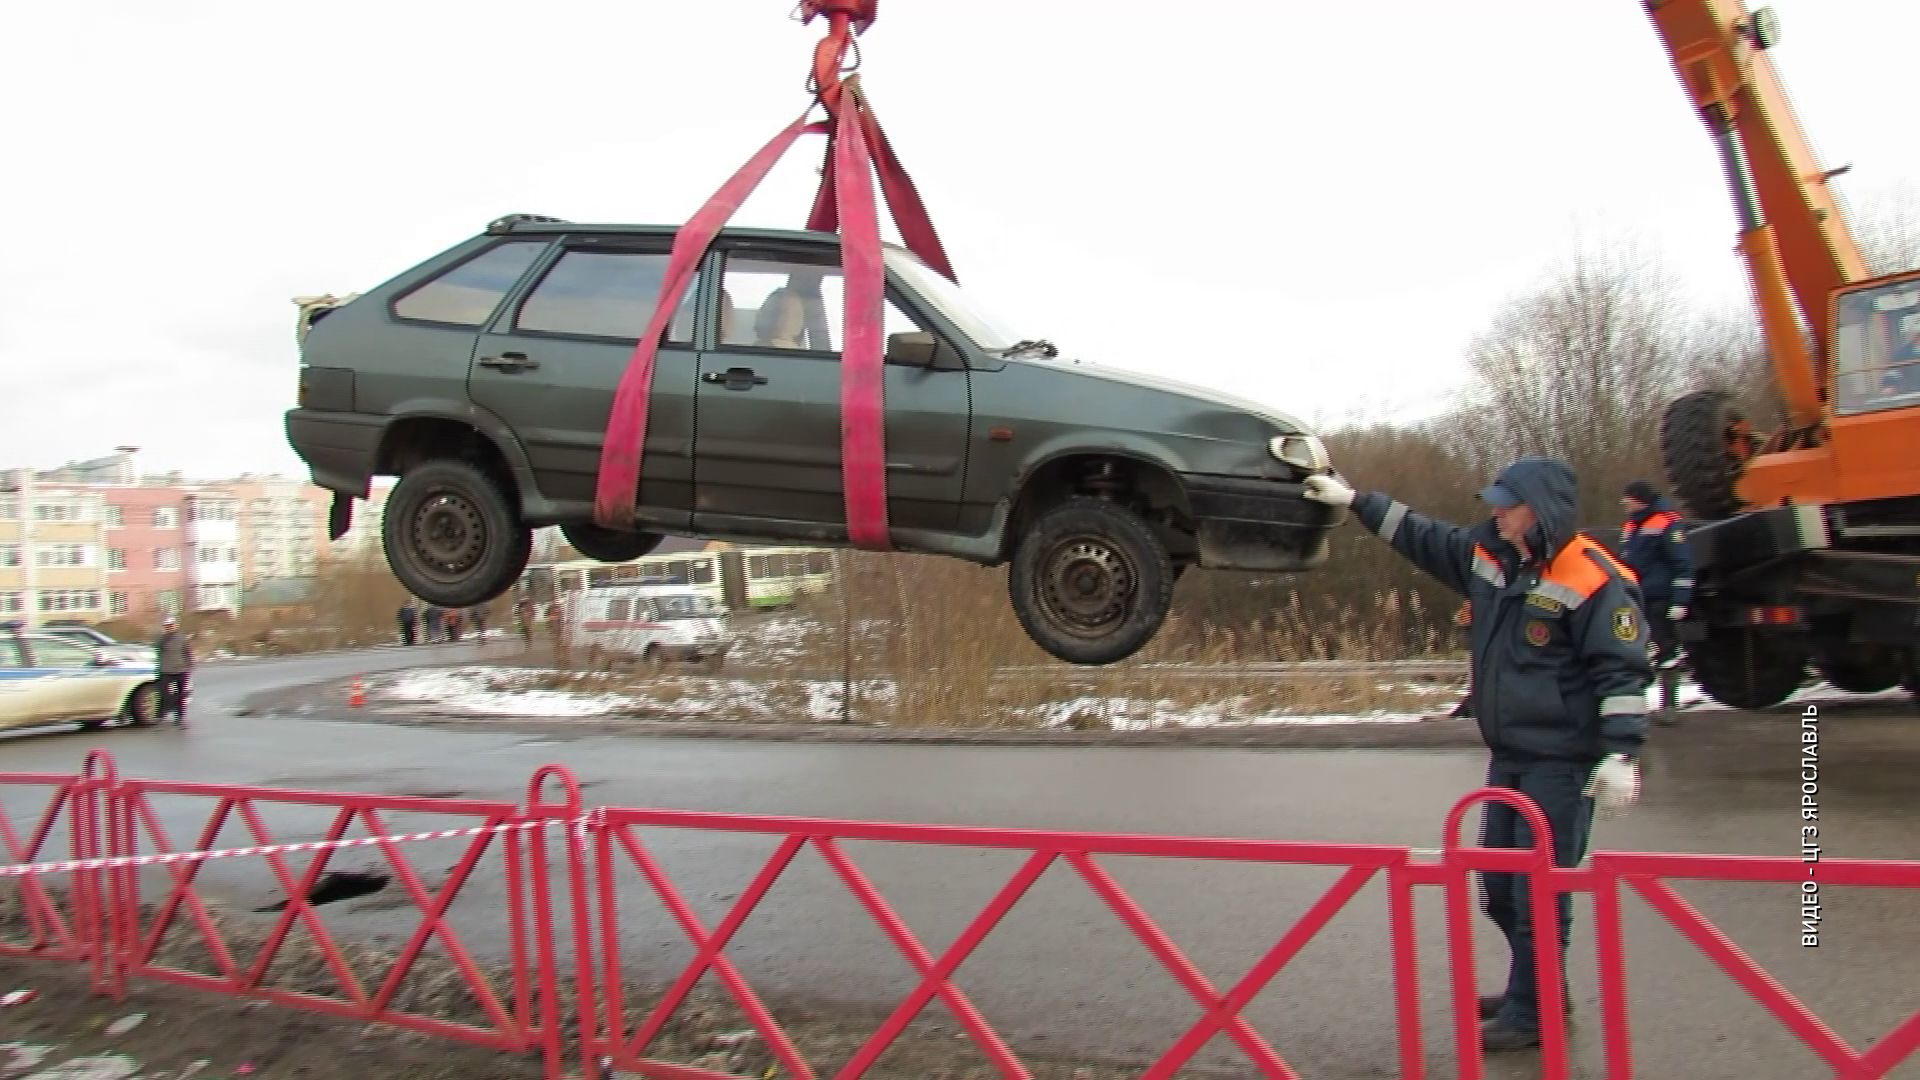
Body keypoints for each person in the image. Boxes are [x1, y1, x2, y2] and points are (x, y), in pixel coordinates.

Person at [1302, 457, 1651, 1053]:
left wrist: (1620, 755)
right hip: (1510, 759)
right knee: (1499, 881)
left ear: (1539, 511)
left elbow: (1621, 674)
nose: (1494, 512)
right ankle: (1537, 986)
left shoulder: (1592, 578)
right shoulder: (1493, 557)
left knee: (1539, 889)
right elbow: (1424, 536)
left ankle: (1533, 1008)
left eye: (1506, 504)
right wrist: (1355, 499)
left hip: (1561, 764)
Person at [1618, 480, 1694, 675]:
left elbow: (1682, 563)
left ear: (1639, 499)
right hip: (1638, 596)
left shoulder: (1667, 521)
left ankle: (1670, 665)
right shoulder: (1632, 525)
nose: (1624, 503)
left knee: (1665, 644)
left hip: (1661, 597)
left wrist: (1680, 602)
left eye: (1627, 498)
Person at [154, 616, 195, 727]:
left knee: (181, 694)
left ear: (175, 625)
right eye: (167, 626)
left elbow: (187, 652)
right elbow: (157, 649)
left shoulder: (182, 638)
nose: (169, 627)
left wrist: (190, 666)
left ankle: (180, 717)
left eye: (171, 625)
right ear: (164, 627)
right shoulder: (161, 638)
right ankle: (161, 714)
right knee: (164, 693)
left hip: (181, 669)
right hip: (166, 670)